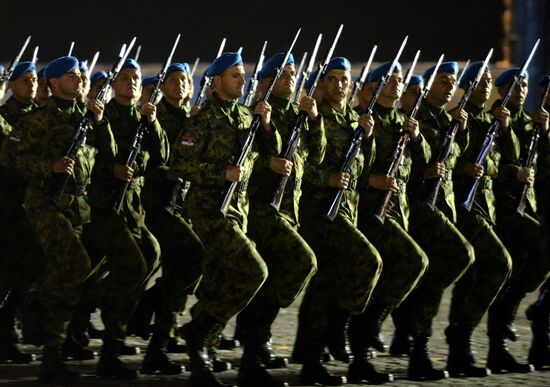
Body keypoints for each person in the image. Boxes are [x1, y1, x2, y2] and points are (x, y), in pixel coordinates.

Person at [170, 52, 281, 387]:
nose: (241, 80)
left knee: (220, 281)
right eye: (234, 75)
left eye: (242, 75)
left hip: (237, 211)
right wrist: (222, 172)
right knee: (254, 269)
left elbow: (273, 151)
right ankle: (200, 331)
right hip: (208, 211)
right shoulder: (203, 119)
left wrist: (265, 124)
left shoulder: (247, 115)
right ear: (216, 82)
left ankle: (216, 356)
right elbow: (179, 164)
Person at [10, 55, 116, 384]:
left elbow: (109, 153)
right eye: (71, 76)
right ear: (53, 84)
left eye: (80, 75)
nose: (80, 79)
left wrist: (101, 122)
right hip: (45, 203)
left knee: (74, 274)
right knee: (77, 265)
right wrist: (49, 167)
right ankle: (35, 302)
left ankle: (52, 354)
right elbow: (10, 155)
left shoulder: (87, 115)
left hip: (77, 205)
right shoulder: (38, 118)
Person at [294, 57, 386, 386]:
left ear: (352, 84)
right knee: (367, 261)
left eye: (343, 79)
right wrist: (327, 178)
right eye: (330, 79)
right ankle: (346, 336)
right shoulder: (312, 116)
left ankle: (314, 357)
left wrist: (369, 136)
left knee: (329, 282)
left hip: (346, 210)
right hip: (318, 212)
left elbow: (362, 170)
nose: (337, 84)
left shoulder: (353, 118)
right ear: (321, 84)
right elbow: (301, 165)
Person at [235, 52, 321, 385]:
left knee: (269, 281)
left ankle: (255, 348)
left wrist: (313, 119)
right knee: (302, 262)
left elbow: (317, 155)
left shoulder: (296, 113)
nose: (291, 78)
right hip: (259, 209)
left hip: (288, 210)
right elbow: (240, 156)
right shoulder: (252, 113)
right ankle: (251, 346)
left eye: (293, 72)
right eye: (283, 74)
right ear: (267, 81)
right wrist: (265, 161)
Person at [79, 58, 164, 379]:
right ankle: (110, 350)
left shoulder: (143, 116)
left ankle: (90, 298)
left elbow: (162, 157)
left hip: (132, 207)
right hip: (104, 207)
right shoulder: (105, 114)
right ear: (115, 83)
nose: (130, 82)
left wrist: (153, 124)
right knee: (133, 266)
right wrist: (110, 169)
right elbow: (88, 156)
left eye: (135, 77)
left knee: (152, 255)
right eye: (124, 77)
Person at [396, 61, 475, 381]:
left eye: (452, 82)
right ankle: (417, 341)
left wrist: (462, 129)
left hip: (443, 207)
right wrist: (422, 173)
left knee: (433, 273)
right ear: (428, 87)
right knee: (460, 254)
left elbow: (456, 159)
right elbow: (402, 165)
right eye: (443, 81)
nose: (449, 86)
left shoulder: (446, 119)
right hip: (418, 209)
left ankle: (413, 329)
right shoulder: (415, 117)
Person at [354, 62, 429, 361]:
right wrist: (370, 180)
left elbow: (423, 167)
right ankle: (370, 321)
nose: (397, 84)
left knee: (396, 270)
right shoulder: (367, 120)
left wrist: (419, 138)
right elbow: (352, 163)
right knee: (413, 261)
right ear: (374, 87)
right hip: (370, 211)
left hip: (399, 211)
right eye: (391, 79)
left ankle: (370, 333)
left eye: (401, 79)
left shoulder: (403, 121)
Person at [447, 61, 515, 377]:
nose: (486, 84)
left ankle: (461, 347)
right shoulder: (459, 118)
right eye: (480, 80)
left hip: (485, 206)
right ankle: (460, 334)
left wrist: (505, 130)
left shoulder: (489, 121)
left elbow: (503, 164)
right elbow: (443, 157)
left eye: (489, 79)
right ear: (467, 85)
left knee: (474, 275)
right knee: (499, 263)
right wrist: (462, 166)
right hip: (463, 206)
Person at [138, 62, 205, 375]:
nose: (180, 84)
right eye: (174, 80)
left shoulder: (192, 118)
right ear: (162, 87)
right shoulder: (155, 116)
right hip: (156, 204)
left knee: (180, 274)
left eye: (185, 80)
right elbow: (152, 160)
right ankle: (146, 303)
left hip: (182, 204)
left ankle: (157, 349)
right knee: (193, 256)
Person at [487, 67, 549, 374]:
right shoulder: (493, 121)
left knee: (527, 271)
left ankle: (527, 333)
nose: (520, 89)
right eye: (512, 84)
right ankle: (497, 345)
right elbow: (491, 164)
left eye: (523, 84)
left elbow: (540, 166)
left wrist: (545, 134)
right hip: (502, 209)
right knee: (505, 276)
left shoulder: (530, 123)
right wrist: (508, 132)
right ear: (500, 90)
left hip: (528, 207)